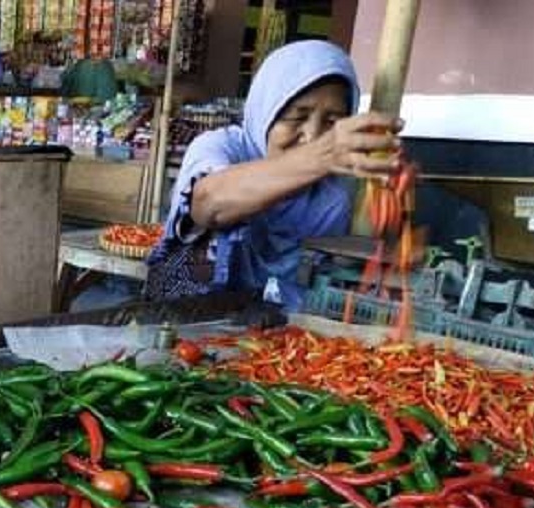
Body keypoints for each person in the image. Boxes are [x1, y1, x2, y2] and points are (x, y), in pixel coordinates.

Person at [143, 40, 403, 312]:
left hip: (281, 336)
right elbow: (208, 203)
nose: (312, 136)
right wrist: (319, 157)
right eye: (297, 117)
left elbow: (339, 271)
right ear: (266, 110)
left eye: (332, 121)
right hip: (184, 318)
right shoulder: (220, 147)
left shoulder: (333, 195)